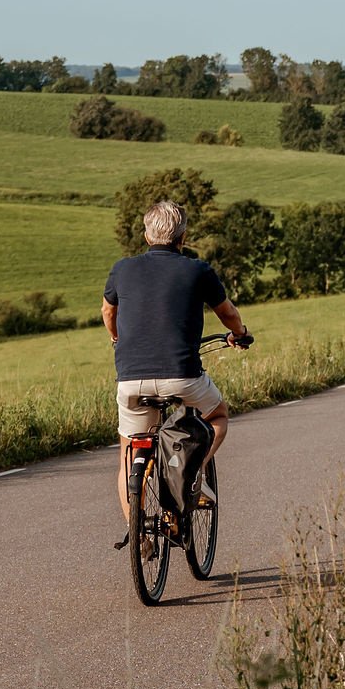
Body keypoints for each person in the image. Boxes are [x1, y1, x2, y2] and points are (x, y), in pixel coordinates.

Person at [104, 200, 250, 550]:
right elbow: (226, 311)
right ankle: (190, 477)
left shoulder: (122, 269)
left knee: (129, 450)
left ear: (145, 234)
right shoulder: (197, 270)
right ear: (183, 237)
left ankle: (138, 535)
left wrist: (117, 338)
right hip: (182, 377)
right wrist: (240, 333)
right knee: (217, 416)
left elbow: (109, 309)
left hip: (131, 380)